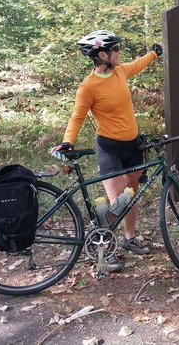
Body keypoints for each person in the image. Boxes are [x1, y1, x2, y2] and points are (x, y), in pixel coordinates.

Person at [52, 29, 163, 272]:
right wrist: (68, 140)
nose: (119, 53)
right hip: (109, 148)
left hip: (133, 146)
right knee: (117, 202)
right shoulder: (88, 86)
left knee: (131, 195)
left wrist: (154, 53)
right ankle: (105, 250)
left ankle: (129, 238)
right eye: (115, 50)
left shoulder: (120, 71)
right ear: (102, 54)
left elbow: (137, 64)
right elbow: (77, 117)